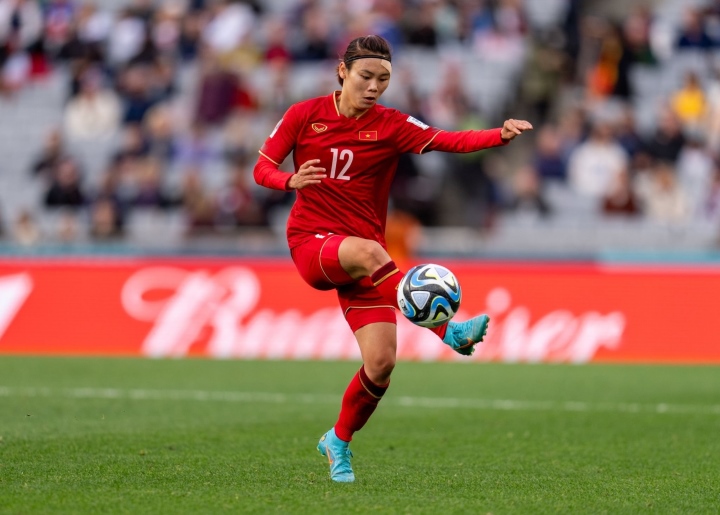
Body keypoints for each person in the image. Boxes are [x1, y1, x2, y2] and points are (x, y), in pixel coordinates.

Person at [253, 35, 532, 483]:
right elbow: (261, 166)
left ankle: (338, 442)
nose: (374, 87)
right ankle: (449, 330)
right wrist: (289, 181)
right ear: (342, 72)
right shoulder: (304, 115)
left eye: (383, 79)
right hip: (314, 242)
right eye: (366, 76)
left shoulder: (390, 124)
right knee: (370, 251)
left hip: (366, 260)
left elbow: (446, 139)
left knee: (381, 364)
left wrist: (497, 135)